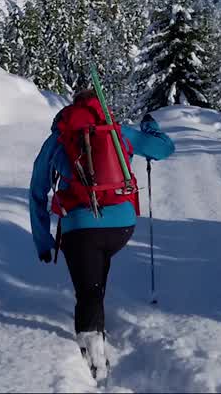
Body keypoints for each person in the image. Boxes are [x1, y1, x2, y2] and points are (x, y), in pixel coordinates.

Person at [29, 93, 174, 380]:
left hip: (80, 230)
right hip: (121, 228)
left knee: (88, 291)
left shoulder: (59, 139)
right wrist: (151, 129)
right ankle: (97, 333)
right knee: (95, 277)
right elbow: (164, 149)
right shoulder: (117, 132)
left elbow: (37, 192)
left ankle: (94, 363)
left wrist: (43, 241)